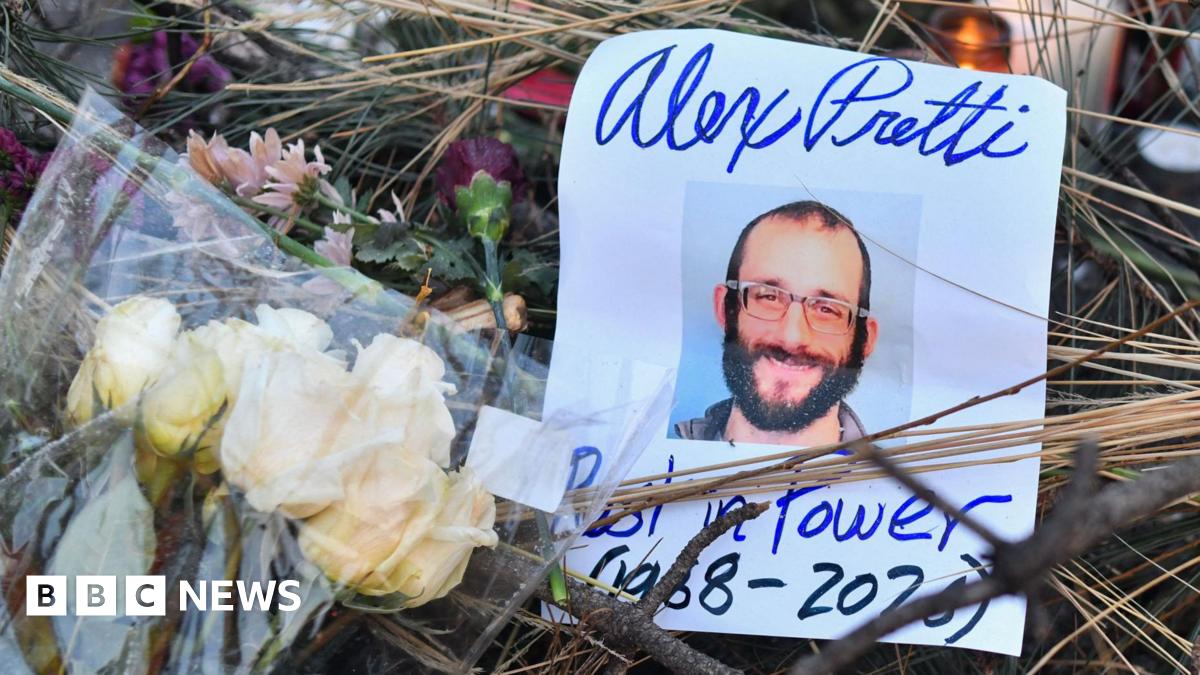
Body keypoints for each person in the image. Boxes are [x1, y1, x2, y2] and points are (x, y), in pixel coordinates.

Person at [675, 201, 879, 446]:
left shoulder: (893, 482)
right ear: (725, 309)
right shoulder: (645, 457)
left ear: (865, 339)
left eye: (826, 309)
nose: (792, 338)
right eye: (768, 296)